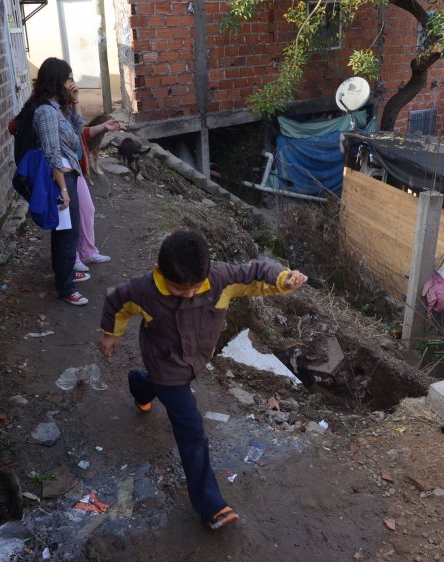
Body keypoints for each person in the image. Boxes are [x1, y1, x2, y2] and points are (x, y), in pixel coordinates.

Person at [98, 229, 308, 530]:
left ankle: (140, 387)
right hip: (164, 363)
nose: (189, 295)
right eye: (178, 289)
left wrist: (282, 278)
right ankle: (210, 505)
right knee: (192, 432)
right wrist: (110, 334)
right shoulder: (143, 290)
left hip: (196, 359)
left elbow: (255, 273)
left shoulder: (221, 279)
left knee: (156, 389)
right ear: (160, 272)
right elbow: (116, 302)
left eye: (195, 288)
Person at [23, 57, 90, 306]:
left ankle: (66, 274)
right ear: (57, 82)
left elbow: (75, 134)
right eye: (68, 79)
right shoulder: (45, 112)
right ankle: (66, 287)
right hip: (60, 177)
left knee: (66, 231)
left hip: (68, 173)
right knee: (66, 234)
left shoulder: (55, 108)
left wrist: (75, 103)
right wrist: (63, 189)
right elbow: (52, 153)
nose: (72, 83)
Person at [72, 118, 124, 273]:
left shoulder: (67, 105)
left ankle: (87, 252)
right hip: (61, 170)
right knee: (67, 219)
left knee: (87, 209)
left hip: (75, 167)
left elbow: (79, 129)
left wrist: (103, 126)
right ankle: (70, 261)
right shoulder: (48, 110)